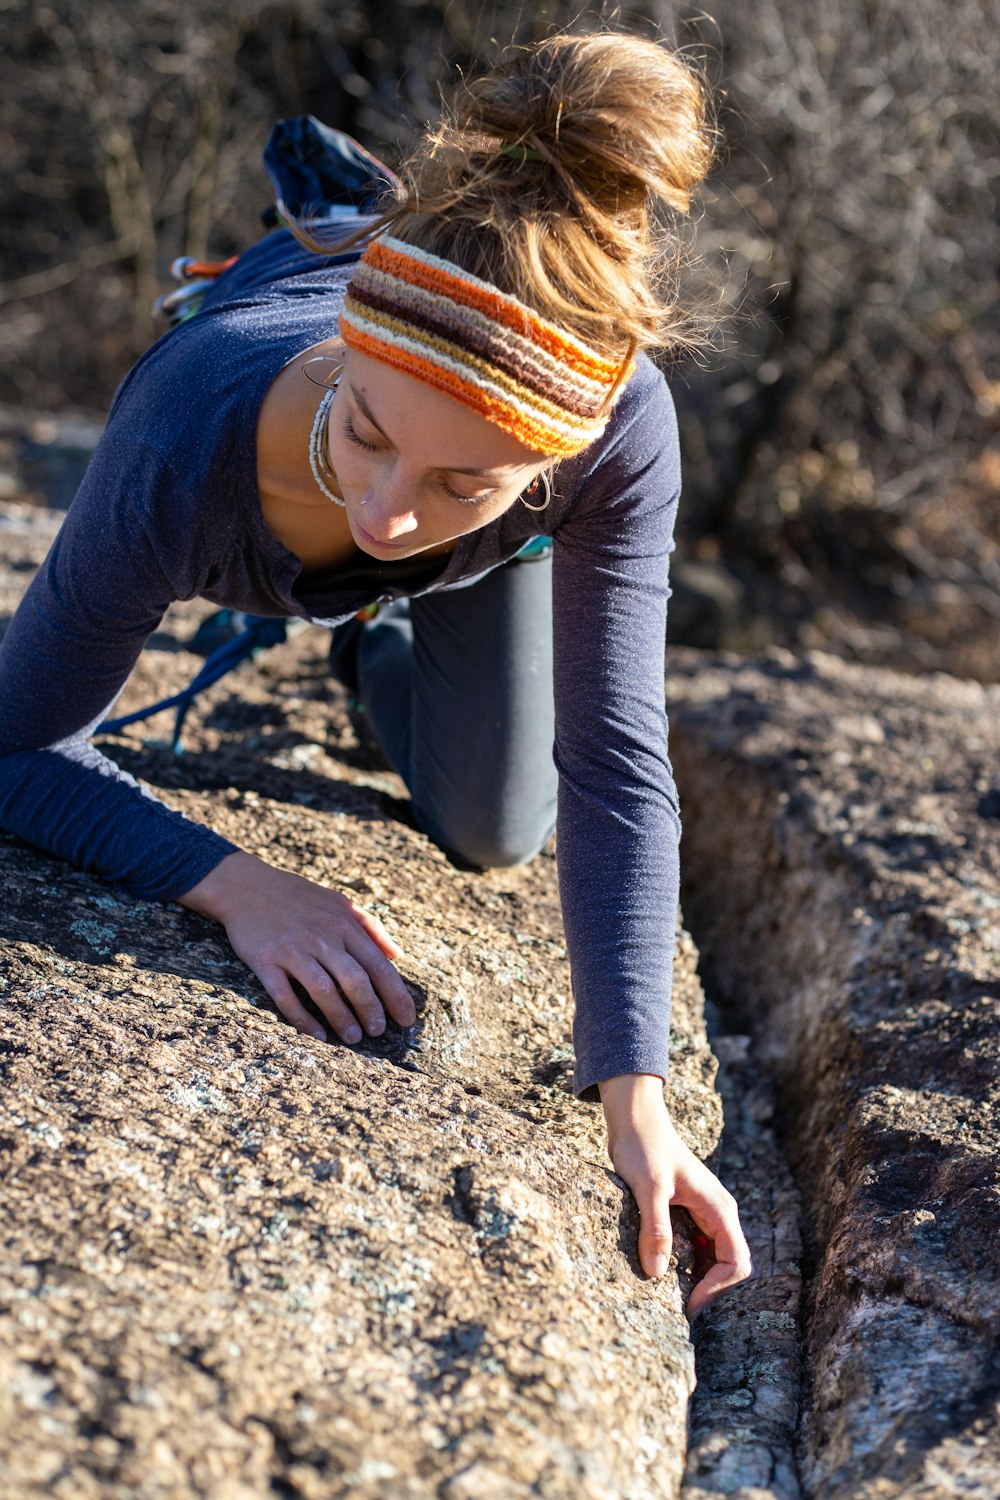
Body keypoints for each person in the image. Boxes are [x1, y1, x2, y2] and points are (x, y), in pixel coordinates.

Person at [0, 31, 751, 1315]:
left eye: (462, 480)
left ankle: (380, 616)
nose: (390, 513)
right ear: (347, 360)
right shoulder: (181, 439)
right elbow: (11, 742)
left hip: (487, 557)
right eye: (367, 434)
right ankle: (346, 226)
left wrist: (636, 1091)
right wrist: (235, 886)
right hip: (291, 322)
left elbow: (615, 765)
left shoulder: (616, 425)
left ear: (548, 466)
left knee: (496, 826)